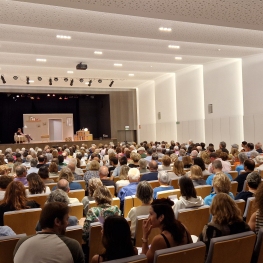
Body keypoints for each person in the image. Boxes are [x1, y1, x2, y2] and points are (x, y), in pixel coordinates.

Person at [13, 202, 84, 263]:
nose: (67, 223)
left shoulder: (21, 243)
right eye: (66, 219)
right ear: (57, 222)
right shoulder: (73, 246)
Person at [142, 198, 192, 263]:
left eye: (151, 214)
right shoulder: (183, 227)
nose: (148, 218)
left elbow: (145, 261)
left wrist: (145, 236)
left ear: (161, 217)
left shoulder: (159, 240)